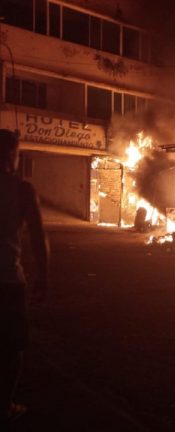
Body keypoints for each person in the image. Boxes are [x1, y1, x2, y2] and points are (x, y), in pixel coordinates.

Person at [1, 129, 48, 424]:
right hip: (7, 281)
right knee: (11, 348)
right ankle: (4, 405)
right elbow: (38, 237)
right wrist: (43, 275)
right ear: (12, 154)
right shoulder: (22, 189)